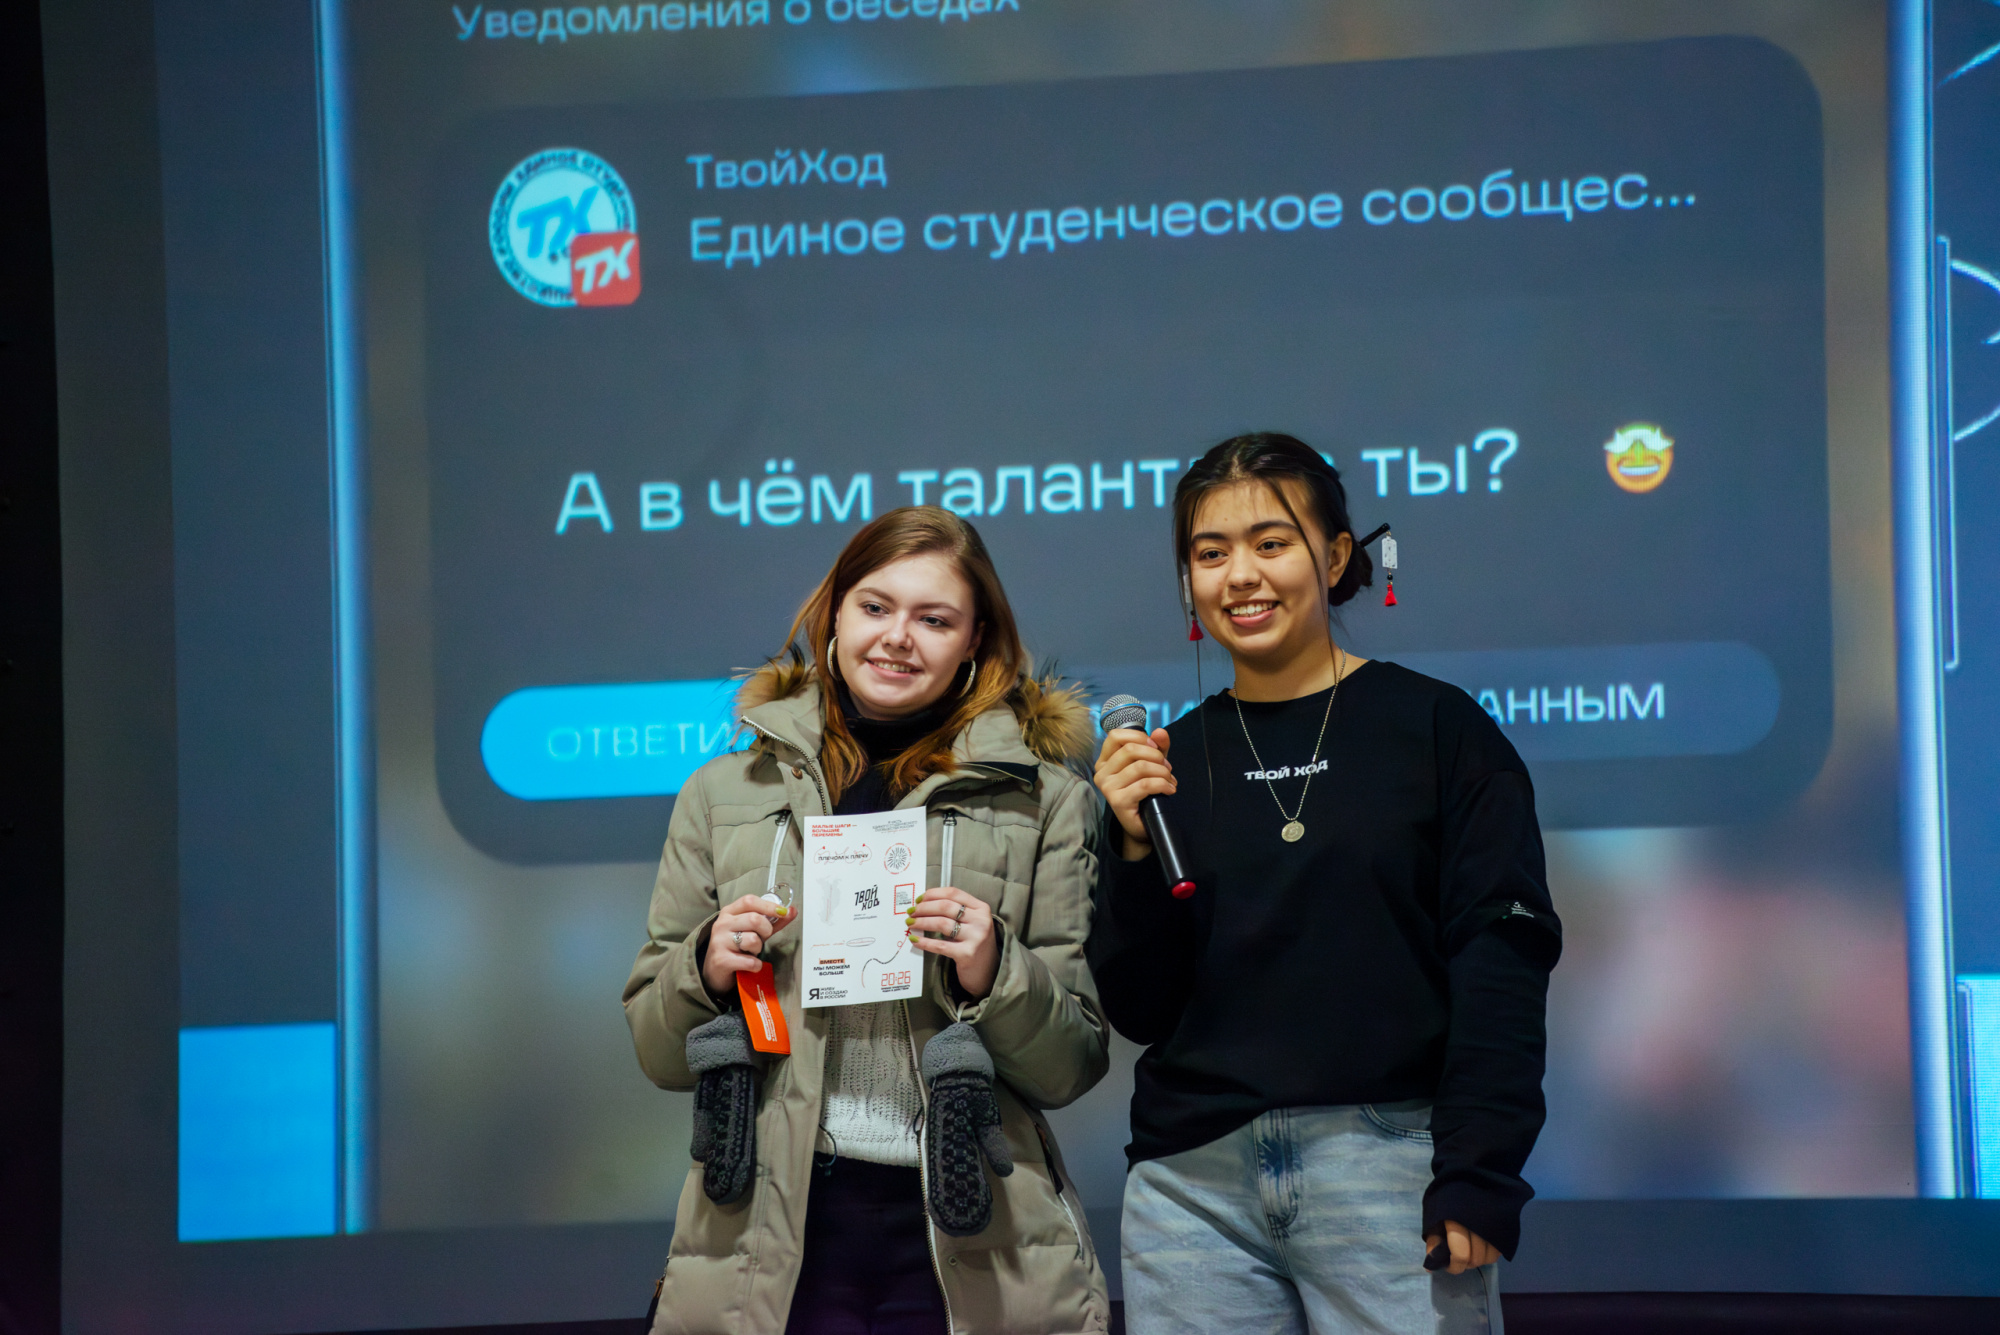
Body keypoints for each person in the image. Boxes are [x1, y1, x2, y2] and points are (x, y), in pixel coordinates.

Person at [1088, 434, 1561, 1335]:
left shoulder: (1438, 727)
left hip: (1392, 1163)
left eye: (1271, 543)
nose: (1240, 576)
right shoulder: (1166, 762)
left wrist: (1479, 1167)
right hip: (1191, 1186)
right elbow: (1142, 1008)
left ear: (1336, 556)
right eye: (1210, 553)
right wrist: (1134, 850)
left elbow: (1502, 953)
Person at [625, 506, 1114, 1335]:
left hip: (969, 1218)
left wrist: (996, 969)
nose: (897, 637)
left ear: (975, 639)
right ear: (834, 614)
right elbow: (657, 1049)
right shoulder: (723, 792)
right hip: (773, 1221)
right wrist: (703, 965)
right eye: (876, 606)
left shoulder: (1047, 800)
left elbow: (1069, 1066)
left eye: (935, 619)